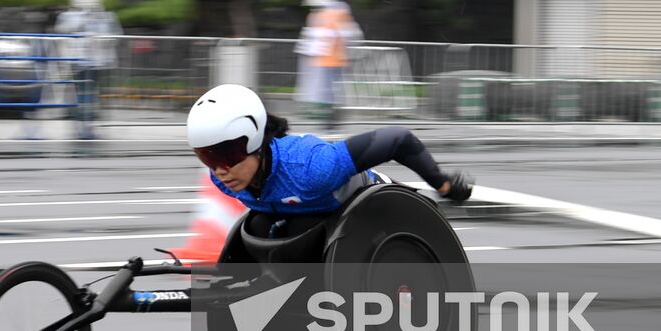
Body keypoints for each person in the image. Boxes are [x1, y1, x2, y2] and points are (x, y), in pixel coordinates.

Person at [187, 83, 472, 215]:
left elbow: (399, 139)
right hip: (299, 220)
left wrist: (443, 184)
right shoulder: (224, 180)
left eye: (227, 155)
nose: (220, 171)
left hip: (367, 210)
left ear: (257, 142)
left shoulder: (313, 168)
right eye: (208, 158)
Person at [54, 0, 121, 139]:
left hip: (100, 61)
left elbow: (115, 35)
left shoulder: (107, 16)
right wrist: (84, 17)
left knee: (93, 93)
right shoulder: (67, 16)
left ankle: (89, 125)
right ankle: (80, 126)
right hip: (77, 60)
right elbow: (62, 31)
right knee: (81, 93)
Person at [295, 0, 362, 125]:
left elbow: (346, 34)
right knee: (322, 87)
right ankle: (326, 114)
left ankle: (331, 115)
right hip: (320, 58)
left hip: (332, 58)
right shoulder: (319, 12)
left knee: (328, 88)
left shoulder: (337, 10)